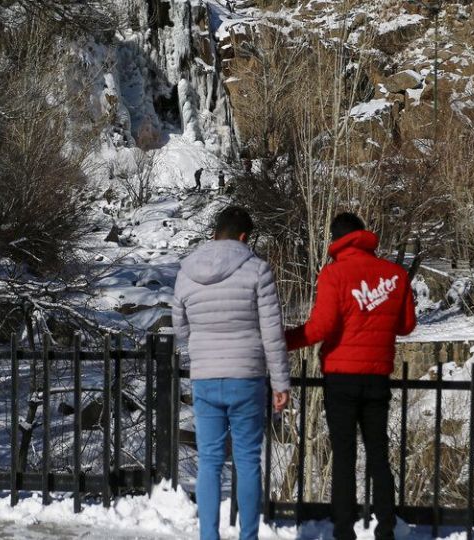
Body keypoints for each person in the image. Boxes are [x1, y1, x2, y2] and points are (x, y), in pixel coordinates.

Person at [285, 213, 416, 540]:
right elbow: (406, 326)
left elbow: (321, 328)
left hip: (341, 377)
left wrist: (283, 340)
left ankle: (344, 531)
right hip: (377, 377)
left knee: (344, 456)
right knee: (379, 455)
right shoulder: (396, 275)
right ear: (363, 236)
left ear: (336, 239)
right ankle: (386, 529)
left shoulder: (334, 274)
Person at [171, 206, 290, 540]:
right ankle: (248, 536)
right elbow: (272, 333)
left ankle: (209, 536)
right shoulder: (257, 270)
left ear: (214, 234)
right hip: (246, 377)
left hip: (205, 377)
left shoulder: (186, 272)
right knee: (247, 460)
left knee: (209, 461)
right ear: (243, 238)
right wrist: (281, 382)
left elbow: (180, 330)